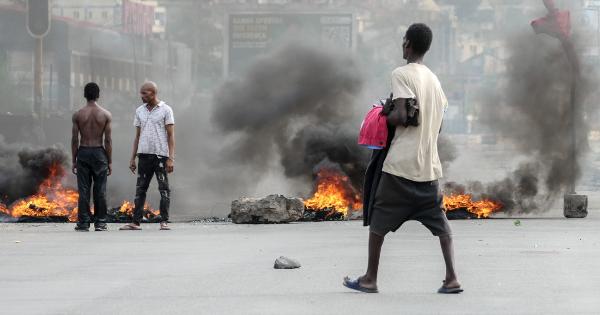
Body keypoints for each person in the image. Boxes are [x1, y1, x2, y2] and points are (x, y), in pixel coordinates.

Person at [343, 23, 462, 294]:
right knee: (441, 224)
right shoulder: (434, 80)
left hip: (400, 167)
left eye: (403, 42)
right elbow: (437, 124)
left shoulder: (401, 74)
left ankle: (370, 278)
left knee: (378, 220)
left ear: (407, 43)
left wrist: (382, 113)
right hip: (429, 169)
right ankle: (452, 277)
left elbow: (401, 116)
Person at [120, 81, 175, 231]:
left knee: (164, 189)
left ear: (153, 93)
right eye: (141, 93)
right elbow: (137, 136)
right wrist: (133, 158)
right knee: (140, 189)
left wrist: (170, 158)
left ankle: (164, 221)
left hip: (160, 156)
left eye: (144, 93)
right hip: (143, 155)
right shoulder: (140, 111)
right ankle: (135, 222)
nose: (141, 96)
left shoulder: (166, 110)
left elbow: (170, 136)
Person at [71, 82, 112, 232]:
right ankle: (100, 222)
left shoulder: (78, 114)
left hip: (83, 152)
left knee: (83, 190)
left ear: (85, 95)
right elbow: (108, 140)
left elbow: (75, 139)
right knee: (100, 190)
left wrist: (74, 160)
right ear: (98, 95)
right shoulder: (105, 114)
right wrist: (110, 161)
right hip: (99, 153)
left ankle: (83, 223)